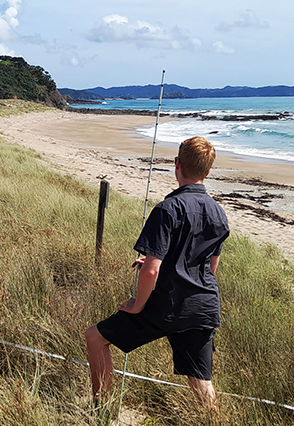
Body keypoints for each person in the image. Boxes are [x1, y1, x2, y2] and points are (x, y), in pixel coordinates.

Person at [84, 136, 230, 412]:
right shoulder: (219, 213)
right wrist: (164, 266)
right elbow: (210, 267)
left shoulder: (168, 209)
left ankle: (101, 408)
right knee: (201, 381)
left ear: (176, 165)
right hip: (204, 304)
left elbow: (152, 269)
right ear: (208, 172)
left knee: (95, 337)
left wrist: (137, 305)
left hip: (168, 305)